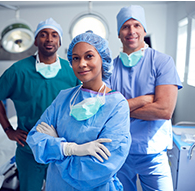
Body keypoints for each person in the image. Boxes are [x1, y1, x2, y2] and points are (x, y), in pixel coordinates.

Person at [26, 31, 131, 191]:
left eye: (89, 56)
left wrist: (57, 150)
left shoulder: (117, 105)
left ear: (103, 59)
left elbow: (100, 167)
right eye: (75, 58)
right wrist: (71, 149)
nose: (81, 63)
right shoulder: (64, 98)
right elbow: (34, 139)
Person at [0, 18, 80, 191]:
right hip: (30, 150)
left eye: (54, 35)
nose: (49, 39)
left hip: (62, 148)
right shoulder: (19, 71)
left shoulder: (71, 71)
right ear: (36, 40)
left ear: (60, 41)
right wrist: (8, 130)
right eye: (43, 35)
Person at [104, 5, 183, 191]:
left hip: (153, 153)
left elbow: (164, 110)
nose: (131, 31)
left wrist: (121, 108)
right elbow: (106, 110)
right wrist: (145, 100)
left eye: (136, 25)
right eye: (125, 26)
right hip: (119, 151)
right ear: (118, 33)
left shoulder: (162, 62)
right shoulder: (110, 70)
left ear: (144, 30)